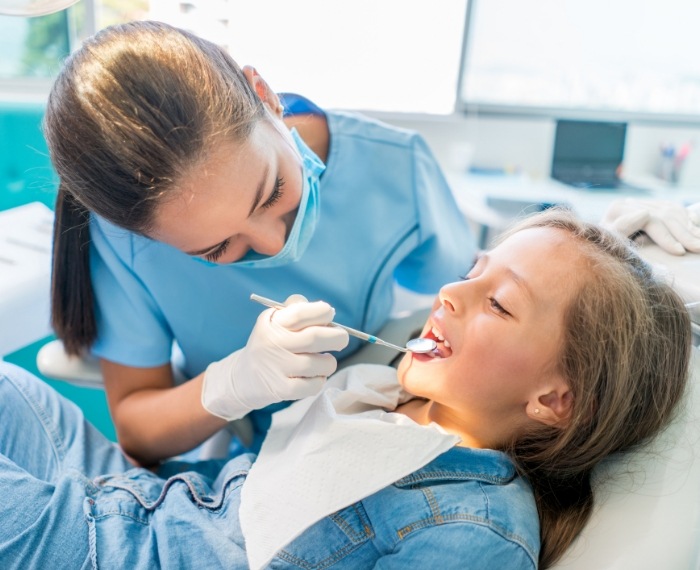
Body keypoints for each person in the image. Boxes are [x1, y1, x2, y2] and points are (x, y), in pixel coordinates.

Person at [0, 209, 691, 569]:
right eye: (473, 271)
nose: (450, 292)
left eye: (499, 303)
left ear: (555, 400)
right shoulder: (381, 400)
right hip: (138, 497)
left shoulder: (475, 533)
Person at [43, 20, 476, 465]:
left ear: (264, 95)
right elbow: (137, 430)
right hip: (259, 462)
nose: (273, 244)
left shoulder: (396, 165)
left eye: (272, 192)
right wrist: (233, 384)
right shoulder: (121, 243)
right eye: (214, 249)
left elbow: (467, 305)